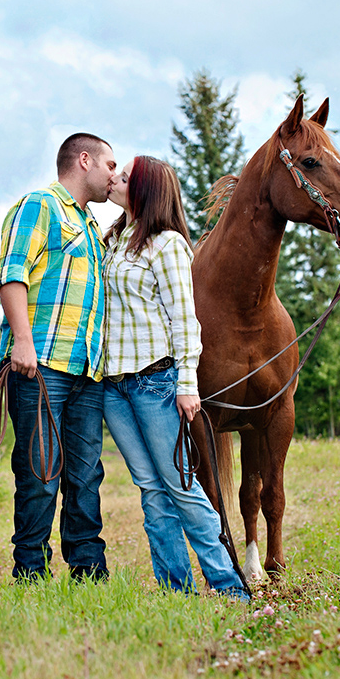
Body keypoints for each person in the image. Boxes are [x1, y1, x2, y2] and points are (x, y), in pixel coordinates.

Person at [101, 155, 250, 600]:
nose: (114, 180)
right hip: (113, 386)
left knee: (182, 487)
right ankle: (175, 589)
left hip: (154, 383)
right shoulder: (114, 239)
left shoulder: (167, 245)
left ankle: (228, 586)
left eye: (124, 178)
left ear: (144, 191)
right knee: (150, 488)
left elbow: (185, 321)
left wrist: (187, 384)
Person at [0, 133, 115, 583]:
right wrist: (22, 341)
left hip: (87, 369)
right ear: (84, 161)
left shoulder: (90, 225)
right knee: (40, 474)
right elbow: (12, 274)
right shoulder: (40, 206)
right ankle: (30, 571)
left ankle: (88, 569)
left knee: (85, 475)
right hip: (41, 364)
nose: (113, 176)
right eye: (109, 165)